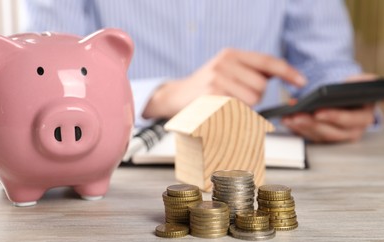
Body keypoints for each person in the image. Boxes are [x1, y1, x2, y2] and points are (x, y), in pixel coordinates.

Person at [22, 0, 378, 143]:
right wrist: (160, 95)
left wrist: (343, 100)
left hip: (260, 157)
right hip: (111, 163)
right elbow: (46, 81)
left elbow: (324, 64)